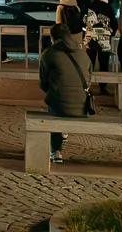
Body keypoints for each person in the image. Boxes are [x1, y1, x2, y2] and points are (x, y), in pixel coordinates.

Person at [38, 23, 93, 164]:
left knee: (55, 100)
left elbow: (43, 83)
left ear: (53, 38)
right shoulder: (83, 53)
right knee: (58, 97)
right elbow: (90, 78)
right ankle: (62, 133)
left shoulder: (49, 54)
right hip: (83, 105)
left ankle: (56, 150)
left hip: (60, 105)